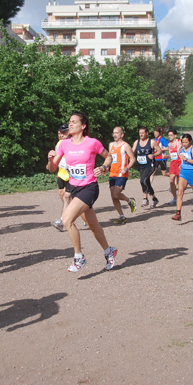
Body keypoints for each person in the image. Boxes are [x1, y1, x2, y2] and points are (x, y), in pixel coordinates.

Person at [49, 111, 118, 272]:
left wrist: (103, 167)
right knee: (93, 225)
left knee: (67, 220)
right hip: (74, 188)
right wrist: (50, 159)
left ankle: (79, 257)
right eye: (69, 121)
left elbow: (109, 156)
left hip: (89, 188)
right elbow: (52, 168)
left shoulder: (92, 143)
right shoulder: (65, 144)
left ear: (83, 125)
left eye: (74, 122)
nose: (70, 124)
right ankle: (109, 251)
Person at [108, 126, 137, 224]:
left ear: (122, 134)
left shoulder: (125, 146)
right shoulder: (111, 145)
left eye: (117, 133)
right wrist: (106, 167)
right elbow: (110, 158)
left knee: (116, 193)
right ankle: (122, 216)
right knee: (113, 196)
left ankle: (130, 201)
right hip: (112, 173)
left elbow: (133, 159)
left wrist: (126, 168)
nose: (114, 135)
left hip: (121, 174)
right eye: (113, 132)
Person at [47, 124, 71, 231]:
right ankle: (83, 214)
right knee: (64, 196)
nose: (61, 135)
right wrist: (50, 160)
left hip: (72, 175)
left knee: (67, 197)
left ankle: (62, 221)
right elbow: (55, 163)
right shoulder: (58, 144)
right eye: (60, 133)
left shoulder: (73, 143)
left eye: (64, 133)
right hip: (61, 174)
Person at [132, 127, 162, 208]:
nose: (141, 134)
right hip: (141, 165)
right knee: (147, 182)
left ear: (147, 133)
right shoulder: (136, 142)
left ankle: (145, 199)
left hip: (150, 165)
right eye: (140, 133)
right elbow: (132, 152)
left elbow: (159, 150)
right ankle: (154, 199)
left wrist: (153, 155)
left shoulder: (152, 142)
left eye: (143, 133)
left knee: (143, 181)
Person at [167, 128, 181, 205]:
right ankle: (175, 197)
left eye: (171, 135)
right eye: (169, 135)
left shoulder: (179, 143)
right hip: (173, 163)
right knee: (171, 180)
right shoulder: (169, 144)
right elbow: (172, 155)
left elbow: (183, 152)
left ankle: (179, 196)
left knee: (179, 181)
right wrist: (166, 155)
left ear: (175, 135)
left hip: (179, 163)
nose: (169, 137)